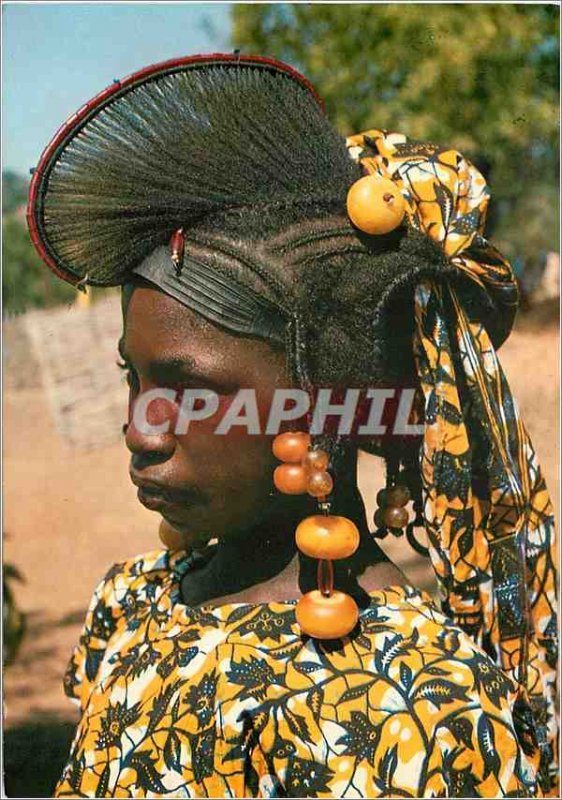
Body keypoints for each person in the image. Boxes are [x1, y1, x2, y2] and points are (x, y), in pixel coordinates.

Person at [27, 53, 557, 798]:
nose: (140, 430)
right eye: (134, 379)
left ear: (330, 401)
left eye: (191, 391)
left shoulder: (420, 704)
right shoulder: (136, 601)